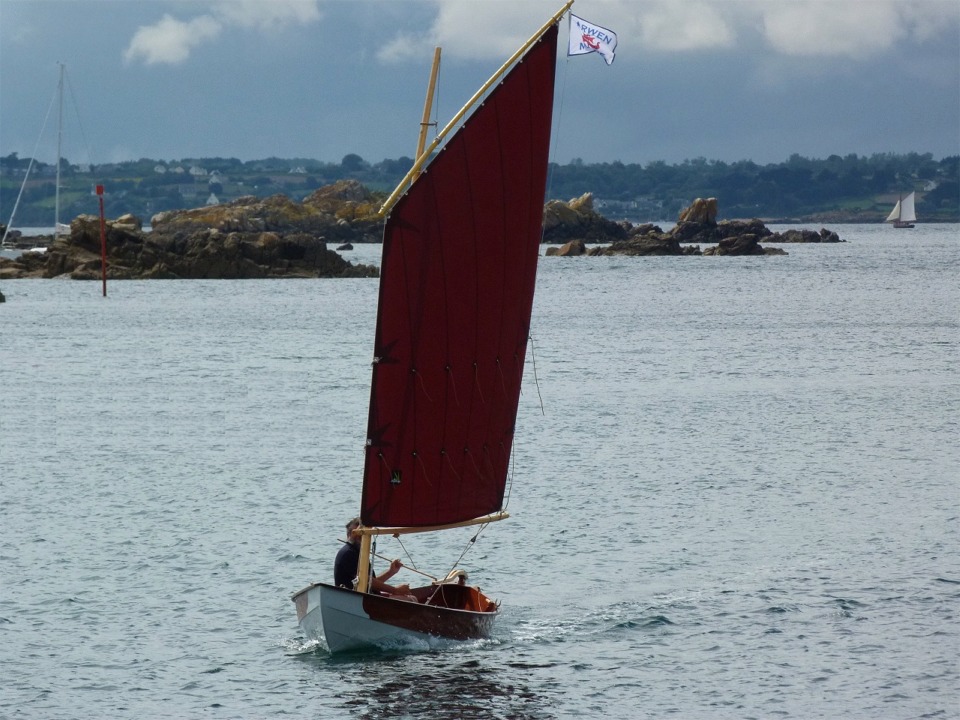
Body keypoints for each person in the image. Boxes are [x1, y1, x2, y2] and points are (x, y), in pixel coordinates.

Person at [334, 517, 418, 601]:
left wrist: (391, 572)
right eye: (356, 533)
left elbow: (369, 582)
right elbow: (367, 581)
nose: (358, 536)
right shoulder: (348, 553)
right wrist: (395, 590)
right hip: (355, 600)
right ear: (349, 535)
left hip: (367, 597)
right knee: (410, 600)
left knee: (412, 598)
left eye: (361, 533)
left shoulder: (359, 553)